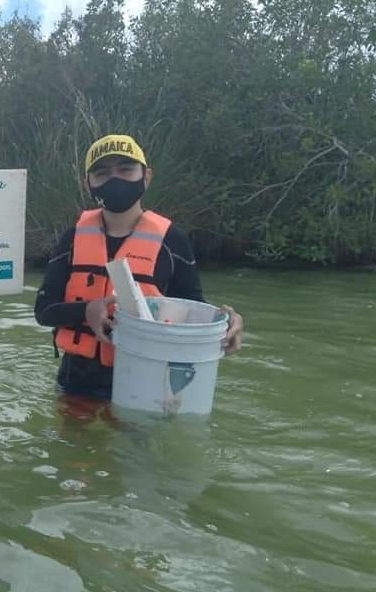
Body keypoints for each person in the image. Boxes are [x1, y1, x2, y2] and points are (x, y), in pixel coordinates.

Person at [34, 133, 244, 402]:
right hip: (77, 382)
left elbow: (193, 310)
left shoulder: (173, 242)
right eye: (102, 173)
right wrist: (85, 310)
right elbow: (44, 311)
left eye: (125, 169)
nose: (115, 179)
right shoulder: (72, 238)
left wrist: (225, 322)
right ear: (88, 184)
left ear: (146, 176)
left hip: (146, 382)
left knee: (134, 444)